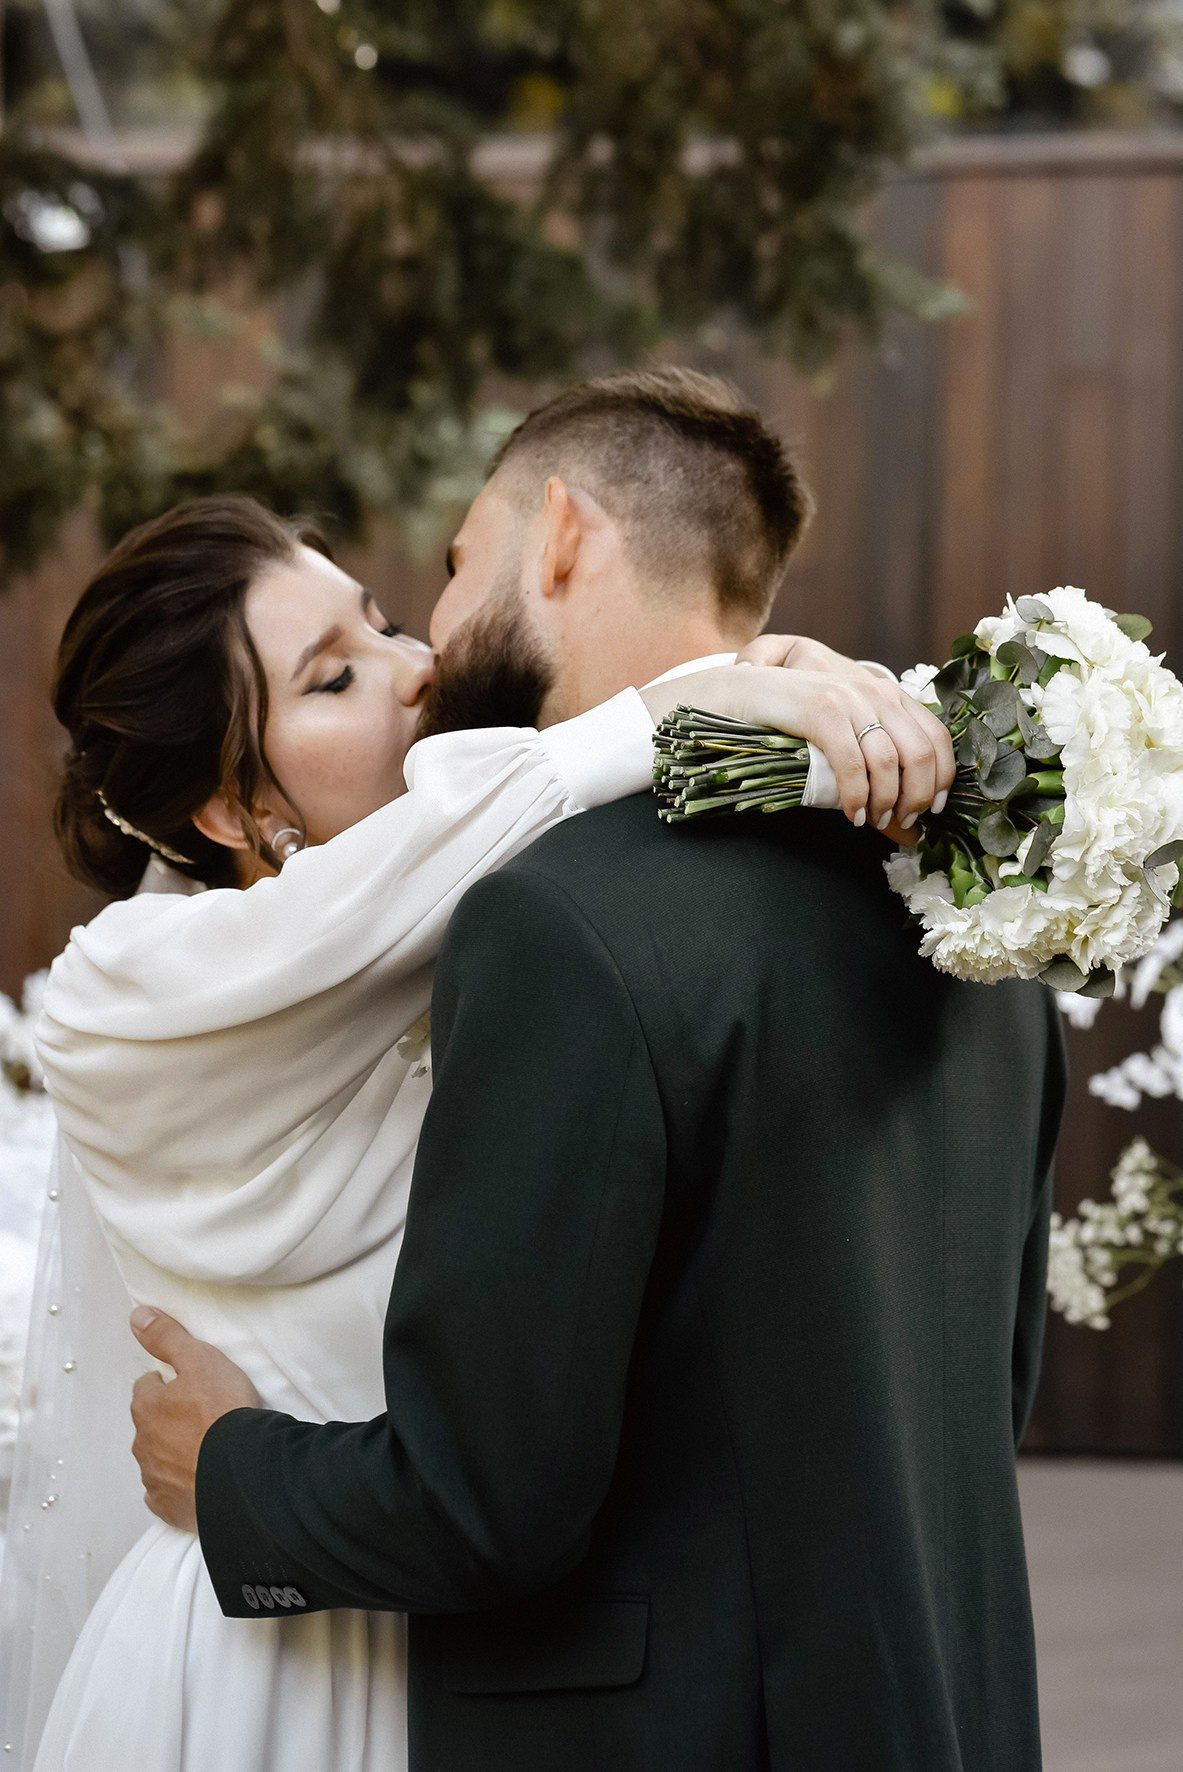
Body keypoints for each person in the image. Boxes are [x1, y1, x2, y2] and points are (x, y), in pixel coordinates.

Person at [0, 374, 954, 1772]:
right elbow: (492, 803)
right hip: (259, 1660)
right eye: (332, 678)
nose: (414, 667)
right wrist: (729, 688)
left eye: (383, 619)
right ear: (229, 807)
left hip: (494, 1663)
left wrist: (820, 711)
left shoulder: (499, 916)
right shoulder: (128, 993)